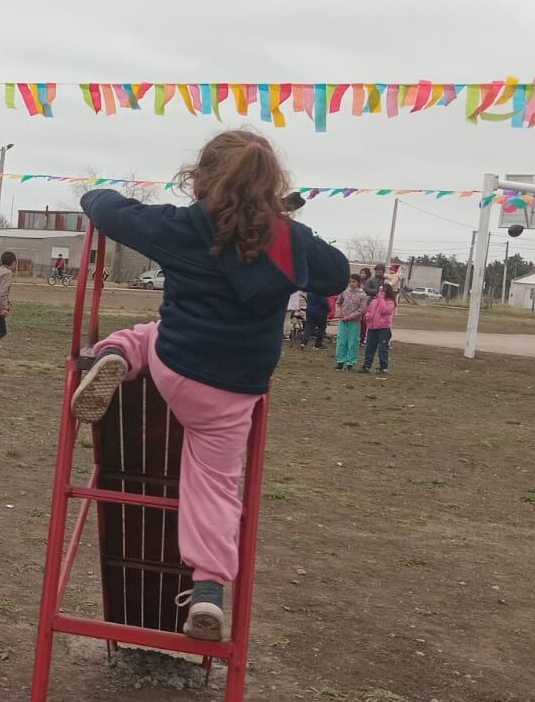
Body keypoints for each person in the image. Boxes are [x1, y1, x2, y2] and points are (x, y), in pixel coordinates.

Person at [69, 130, 347, 640]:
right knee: (214, 485)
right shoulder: (289, 240)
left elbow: (112, 210)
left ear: (200, 179)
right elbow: (337, 275)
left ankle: (112, 358)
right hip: (234, 389)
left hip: (177, 362)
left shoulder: (181, 227)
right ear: (271, 185)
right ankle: (209, 590)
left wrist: (92, 195)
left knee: (142, 335)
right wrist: (284, 227)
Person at [333, 274, 369, 369]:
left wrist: (349, 317)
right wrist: (339, 312)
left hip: (354, 322)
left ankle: (350, 363)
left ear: (358, 282)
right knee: (341, 341)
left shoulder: (362, 295)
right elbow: (338, 302)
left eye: (354, 282)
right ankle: (340, 361)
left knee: (352, 342)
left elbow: (362, 309)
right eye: (350, 281)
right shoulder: (344, 292)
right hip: (343, 321)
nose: (351, 284)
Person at [362, 283, 396, 374]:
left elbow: (385, 310)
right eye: (379, 290)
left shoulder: (390, 302)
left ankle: (383, 367)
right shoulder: (373, 301)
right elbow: (369, 311)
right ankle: (367, 366)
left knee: (382, 348)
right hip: (372, 328)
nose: (380, 293)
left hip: (383, 328)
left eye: (382, 291)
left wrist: (381, 299)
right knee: (370, 347)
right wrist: (367, 316)